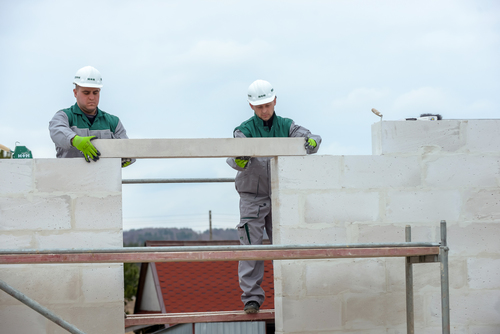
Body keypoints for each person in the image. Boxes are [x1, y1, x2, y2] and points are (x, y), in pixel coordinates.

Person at [227, 79, 321, 314]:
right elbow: (233, 154)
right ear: (251, 107)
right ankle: (252, 298)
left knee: (286, 245)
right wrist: (238, 160)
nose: (265, 110)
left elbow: (312, 137)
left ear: (275, 101)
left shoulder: (287, 126)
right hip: (253, 198)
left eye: (268, 105)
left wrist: (311, 143)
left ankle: (291, 293)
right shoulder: (244, 130)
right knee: (251, 247)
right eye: (260, 107)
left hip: (281, 196)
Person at [49, 66, 134, 167]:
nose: (91, 97)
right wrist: (74, 140)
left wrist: (126, 158)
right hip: (70, 179)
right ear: (75, 93)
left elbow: (128, 150)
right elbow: (57, 131)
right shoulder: (64, 116)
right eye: (86, 93)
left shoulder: (113, 122)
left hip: (103, 180)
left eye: (95, 92)